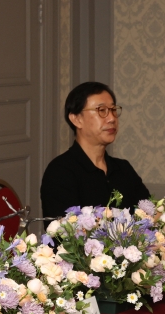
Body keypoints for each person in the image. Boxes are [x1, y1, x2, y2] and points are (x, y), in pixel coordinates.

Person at [41, 81, 150, 222]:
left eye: (113, 110)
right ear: (76, 119)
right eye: (101, 110)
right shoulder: (60, 172)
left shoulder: (123, 169)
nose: (111, 118)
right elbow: (62, 237)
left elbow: (149, 216)